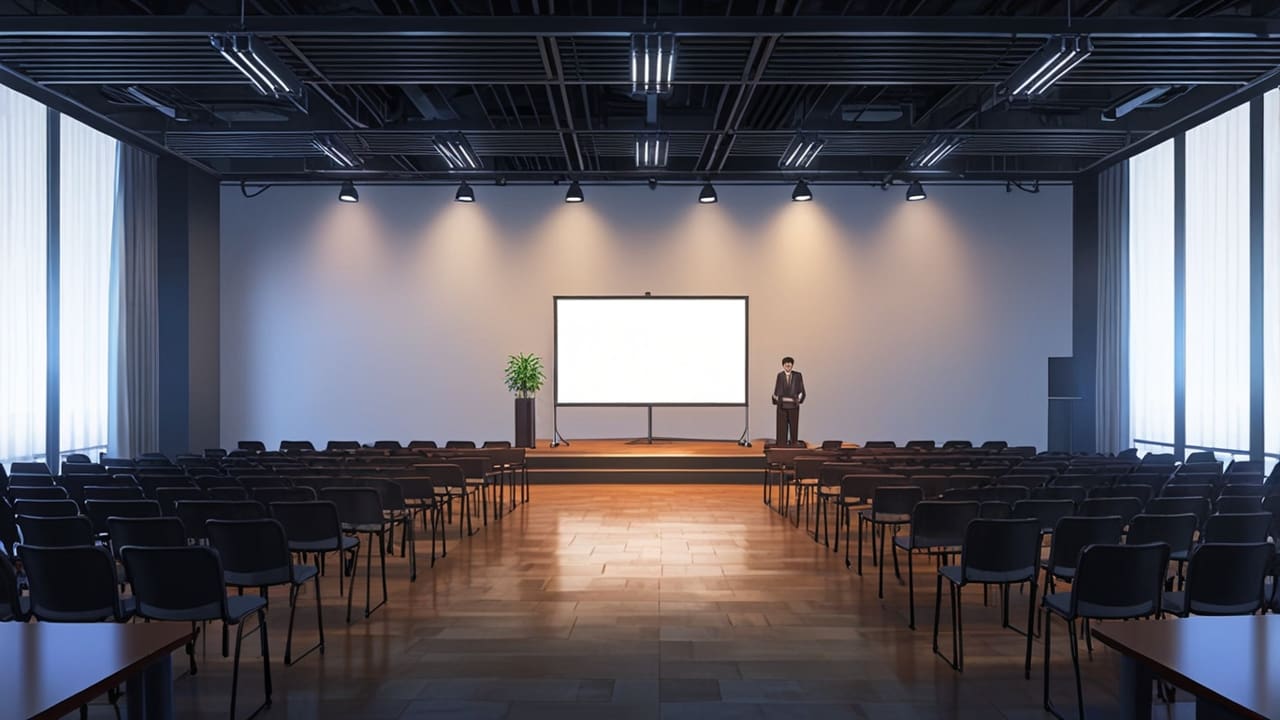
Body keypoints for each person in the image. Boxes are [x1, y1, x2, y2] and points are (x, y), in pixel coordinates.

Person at [772, 356, 806, 447]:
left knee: (794, 426)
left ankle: (794, 443)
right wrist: (775, 399)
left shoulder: (798, 375)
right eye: (786, 363)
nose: (788, 365)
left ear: (792, 365)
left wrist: (799, 399)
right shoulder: (780, 375)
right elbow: (777, 390)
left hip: (794, 405)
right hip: (782, 406)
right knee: (781, 427)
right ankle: (781, 444)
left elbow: (801, 389)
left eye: (789, 363)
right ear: (783, 365)